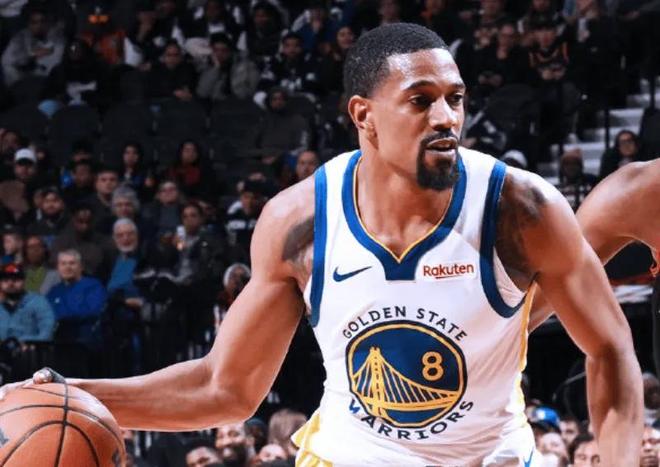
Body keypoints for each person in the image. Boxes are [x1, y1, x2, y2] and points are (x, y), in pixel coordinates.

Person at [0, 23, 643, 465]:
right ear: (364, 115)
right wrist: (68, 394)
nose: (446, 117)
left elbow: (610, 348)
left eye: (455, 99)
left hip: (489, 455)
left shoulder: (520, 209)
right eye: (420, 101)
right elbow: (225, 387)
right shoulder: (300, 222)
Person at [0, 262, 55, 343]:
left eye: (15, 279)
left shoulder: (38, 301)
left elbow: (48, 329)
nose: (10, 283)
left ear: (24, 281)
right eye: (5, 280)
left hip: (32, 348)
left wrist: (30, 343)